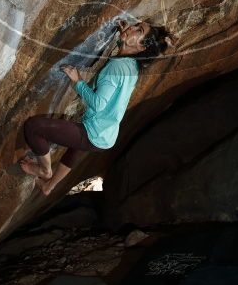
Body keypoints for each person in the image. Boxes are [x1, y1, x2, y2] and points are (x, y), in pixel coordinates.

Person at [18, 18, 171, 195]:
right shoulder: (134, 65)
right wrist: (125, 36)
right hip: (107, 134)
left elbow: (98, 104)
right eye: (137, 25)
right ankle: (49, 186)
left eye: (139, 30)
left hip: (95, 132)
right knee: (74, 150)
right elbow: (124, 61)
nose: (133, 27)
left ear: (141, 47)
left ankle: (44, 170)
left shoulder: (117, 67)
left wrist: (78, 81)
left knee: (34, 127)